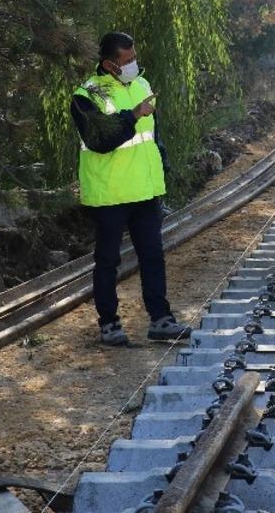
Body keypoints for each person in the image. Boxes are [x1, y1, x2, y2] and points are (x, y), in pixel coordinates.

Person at [70, 32, 192, 346]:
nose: (133, 65)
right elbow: (99, 141)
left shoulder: (142, 86)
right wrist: (133, 115)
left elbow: (152, 137)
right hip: (110, 194)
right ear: (109, 64)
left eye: (134, 58)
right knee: (108, 262)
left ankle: (161, 319)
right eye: (127, 61)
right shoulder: (87, 95)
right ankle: (109, 324)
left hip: (145, 191)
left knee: (153, 256)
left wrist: (162, 166)